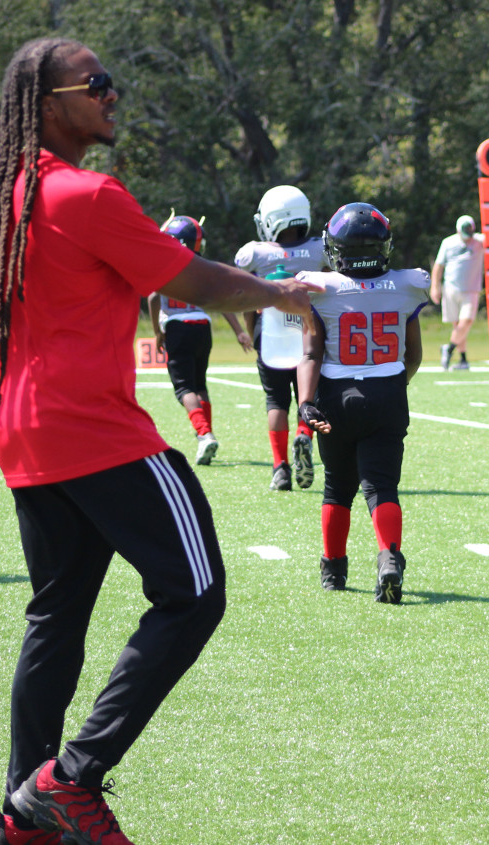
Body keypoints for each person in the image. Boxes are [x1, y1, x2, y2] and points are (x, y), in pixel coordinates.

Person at [0, 38, 319, 845]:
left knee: (56, 617)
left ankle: (22, 815)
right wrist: (283, 292)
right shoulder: (85, 193)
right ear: (49, 103)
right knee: (196, 591)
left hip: (21, 431)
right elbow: (190, 277)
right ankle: (71, 779)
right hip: (95, 429)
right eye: (96, 85)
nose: (112, 95)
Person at [295, 202, 429, 602]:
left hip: (336, 395)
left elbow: (311, 353)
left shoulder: (319, 288)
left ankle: (333, 568)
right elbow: (414, 354)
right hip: (388, 392)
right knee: (382, 485)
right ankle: (389, 557)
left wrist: (305, 403)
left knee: (337, 487)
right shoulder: (408, 284)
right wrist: (389, 386)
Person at [230, 185, 326, 491]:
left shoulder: (255, 253)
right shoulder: (319, 249)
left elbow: (244, 299)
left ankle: (280, 468)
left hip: (269, 333)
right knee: (308, 396)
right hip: (308, 331)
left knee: (276, 402)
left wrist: (247, 328)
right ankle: (304, 435)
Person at [146, 214, 222, 466]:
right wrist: (240, 331)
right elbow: (222, 297)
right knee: (200, 384)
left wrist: (158, 331)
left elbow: (153, 297)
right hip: (203, 326)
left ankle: (203, 433)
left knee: (184, 388)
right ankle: (206, 434)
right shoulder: (202, 265)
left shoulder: (165, 264)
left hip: (177, 327)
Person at [430, 214, 484, 371]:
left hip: (471, 289)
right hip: (451, 288)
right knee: (457, 326)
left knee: (466, 322)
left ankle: (449, 349)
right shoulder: (448, 242)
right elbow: (439, 266)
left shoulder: (479, 241)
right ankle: (463, 359)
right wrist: (435, 287)